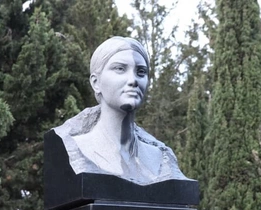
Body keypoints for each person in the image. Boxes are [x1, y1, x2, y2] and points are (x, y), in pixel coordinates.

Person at [53, 36, 189, 185]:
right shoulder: (78, 147)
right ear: (96, 82)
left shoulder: (160, 157)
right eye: (120, 69)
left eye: (141, 72)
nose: (133, 80)